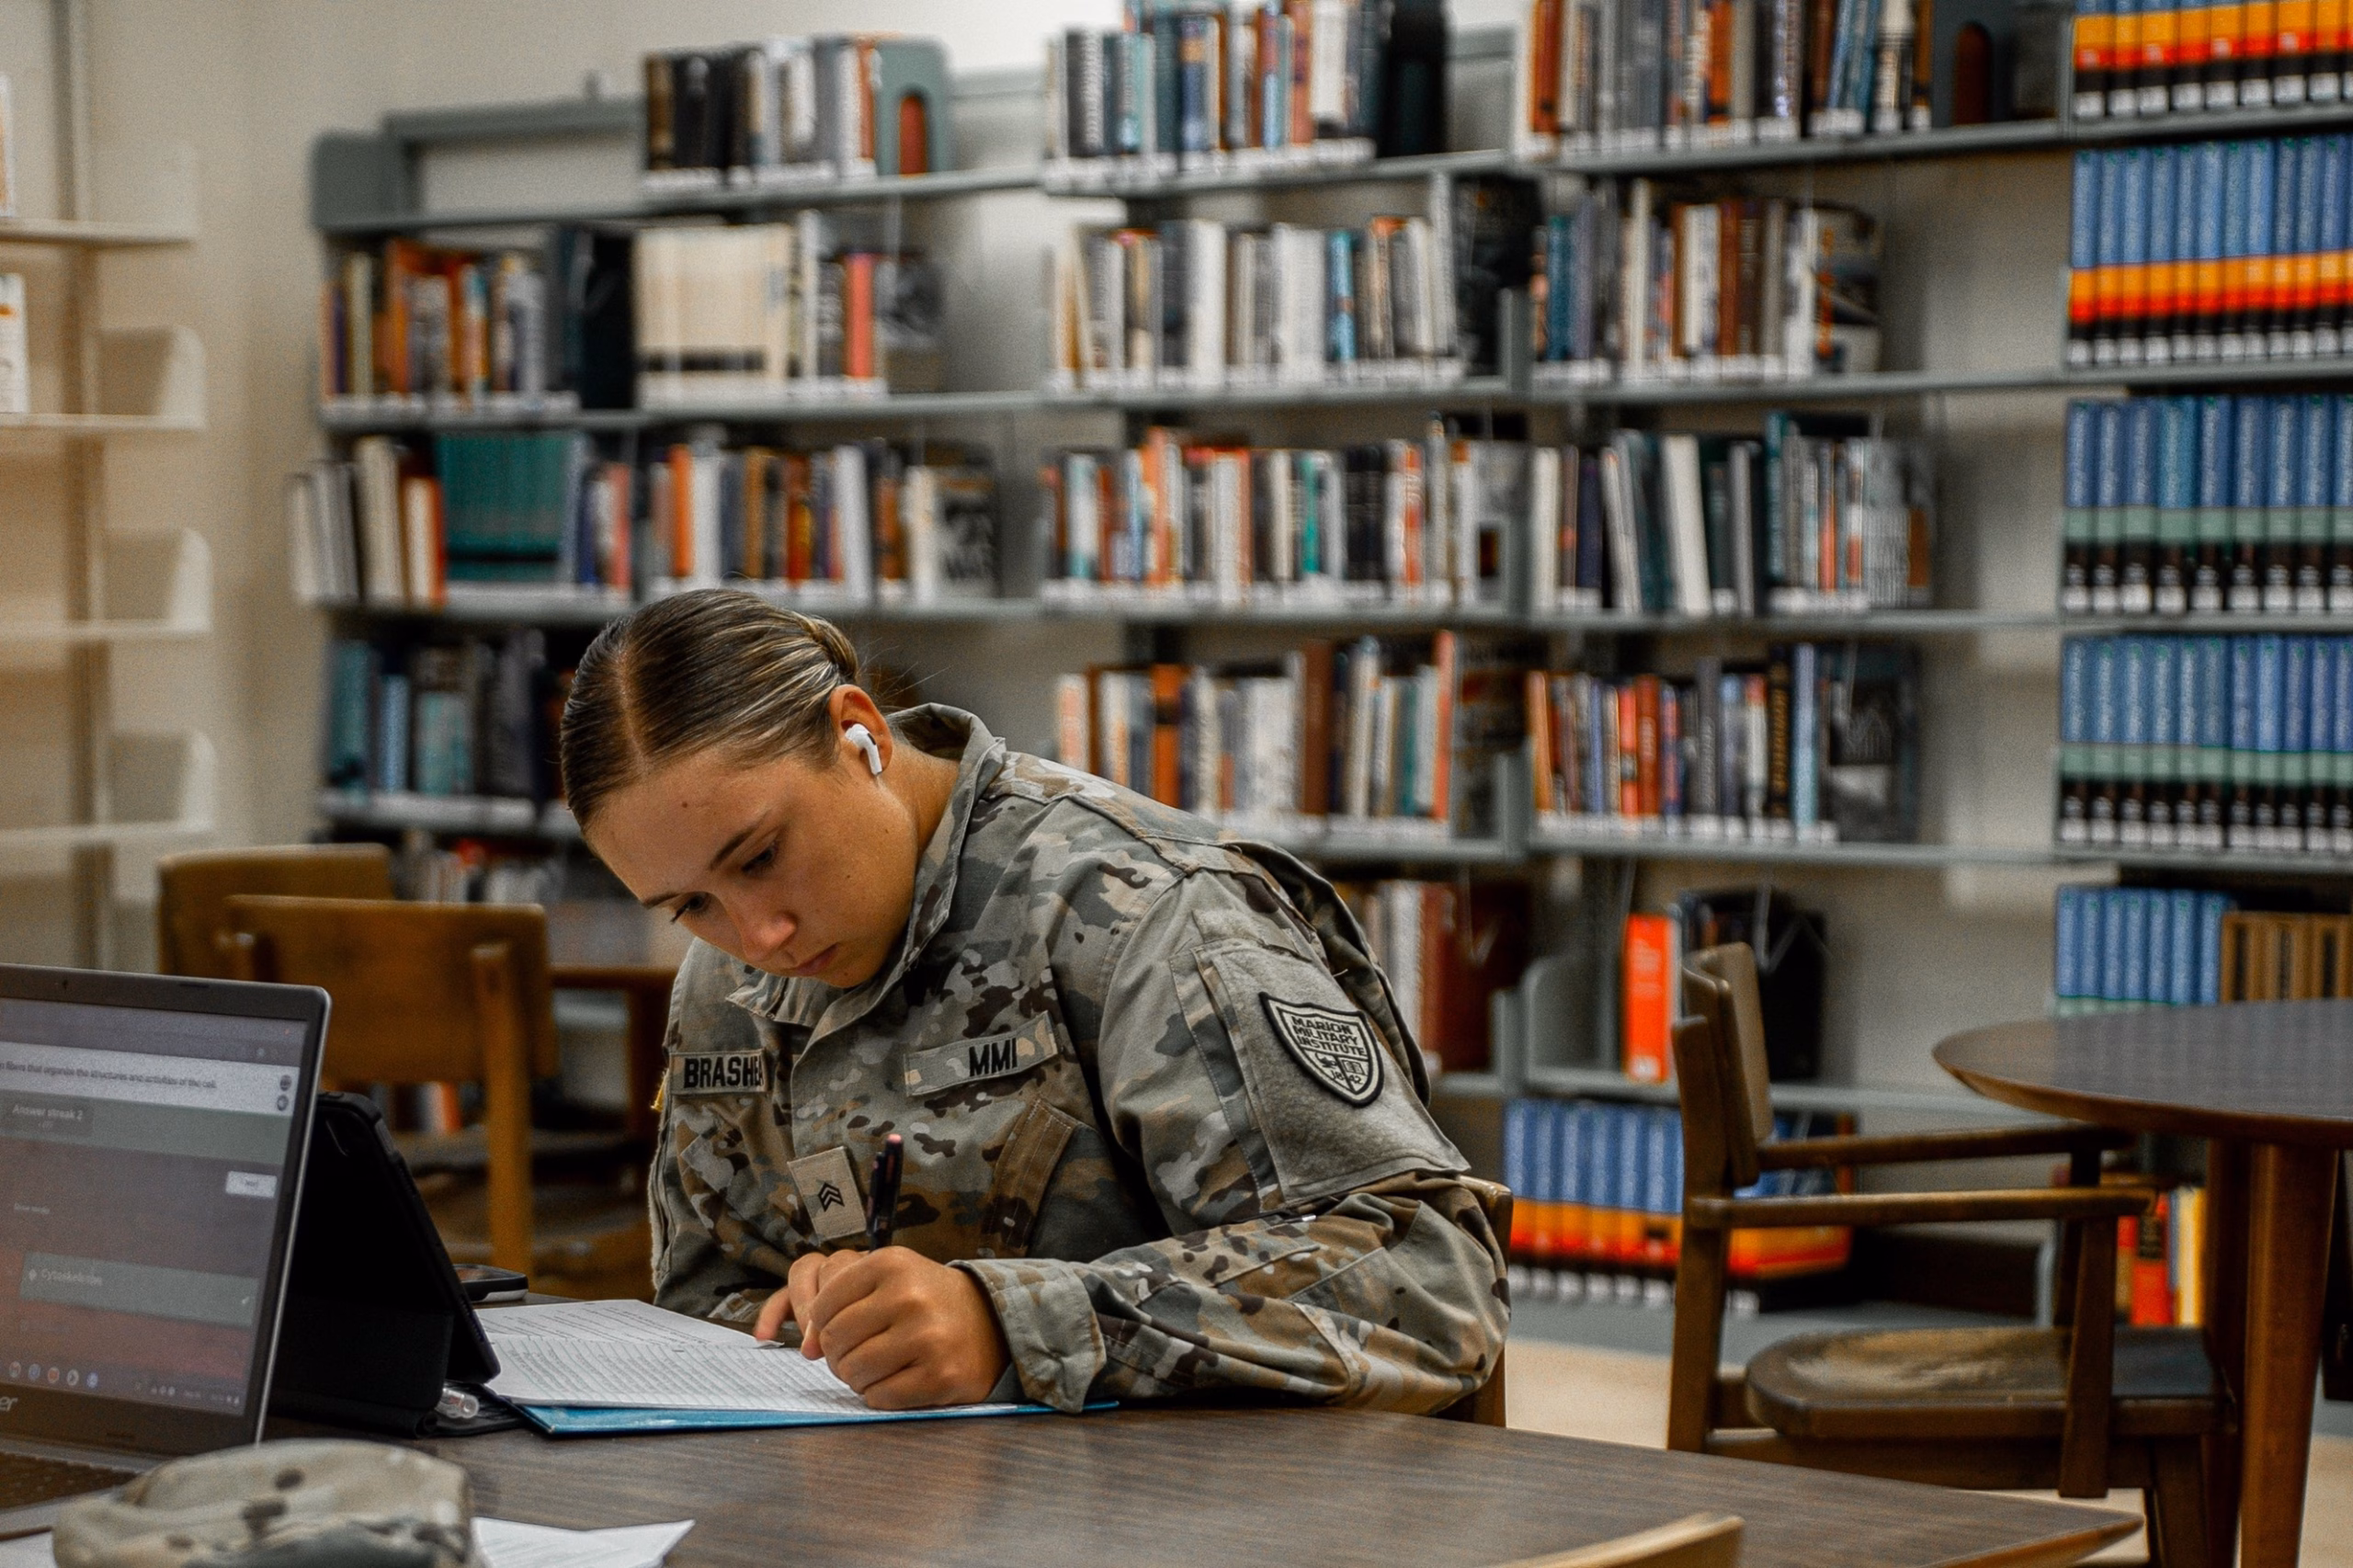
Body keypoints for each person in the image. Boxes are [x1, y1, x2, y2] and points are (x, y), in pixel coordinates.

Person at [559, 589, 1507, 1415]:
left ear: (860, 733)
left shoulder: (1146, 908)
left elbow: (1428, 1276)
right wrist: (809, 1318)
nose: (756, 935)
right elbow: (702, 1306)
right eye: (690, 905)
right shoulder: (728, 979)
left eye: (760, 855)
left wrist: (1012, 1327)